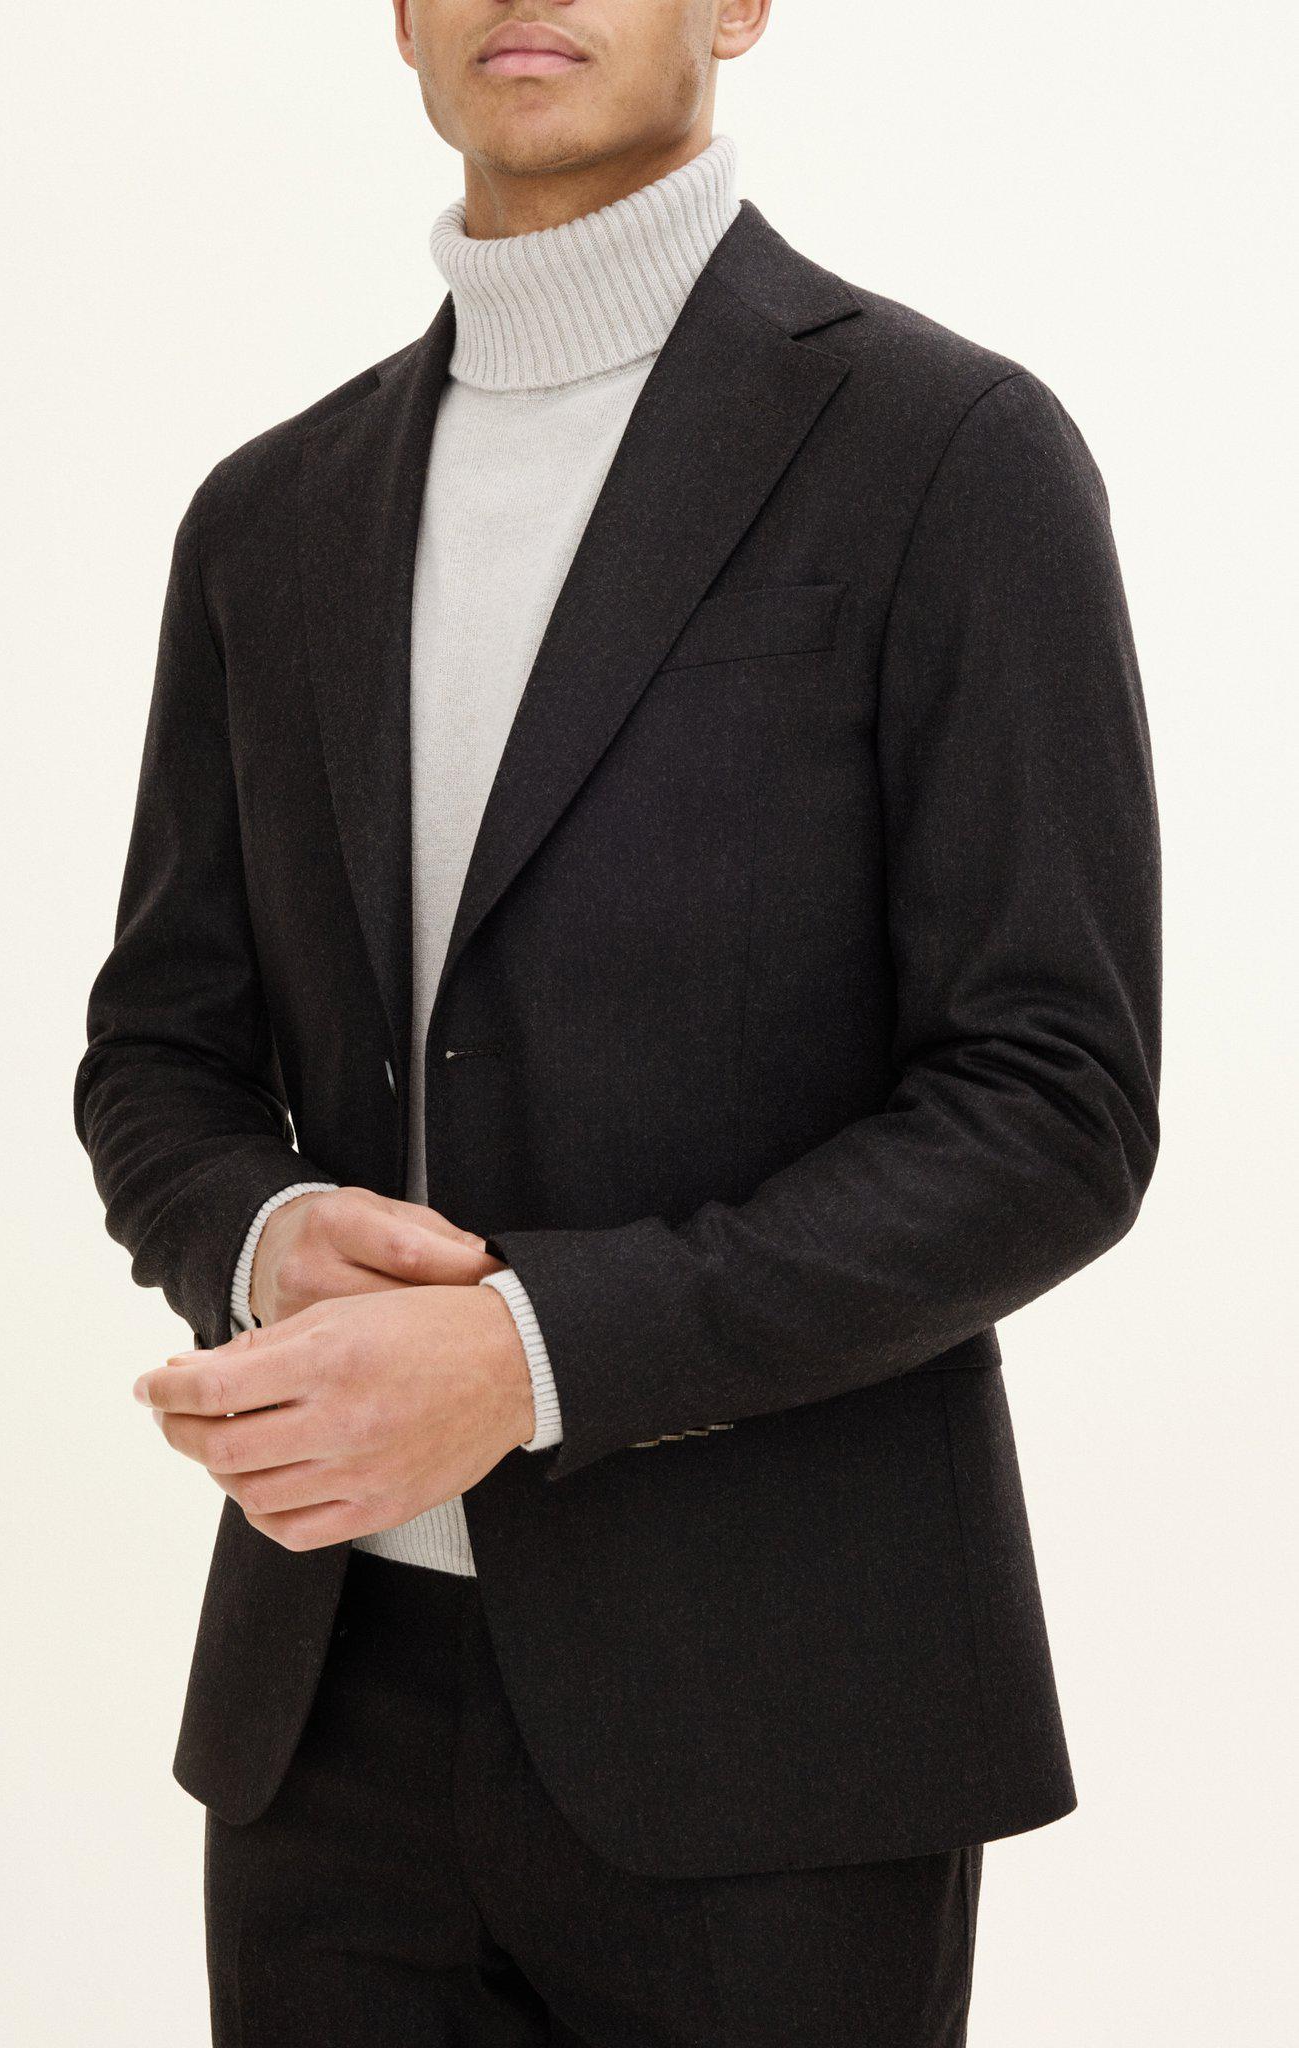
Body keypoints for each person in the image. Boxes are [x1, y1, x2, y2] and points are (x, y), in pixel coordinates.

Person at [74, 2, 1162, 2041]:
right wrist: (261, 1239)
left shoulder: (946, 452)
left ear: (739, 5)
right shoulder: (268, 514)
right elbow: (159, 1054)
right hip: (325, 1725)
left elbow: (1050, 1105)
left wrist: (531, 1356)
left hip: (781, 1723)